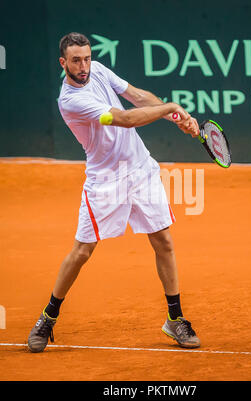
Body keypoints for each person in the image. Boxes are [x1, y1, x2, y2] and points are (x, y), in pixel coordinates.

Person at [28, 32, 201, 353]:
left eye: (87, 58)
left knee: (163, 240)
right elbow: (123, 119)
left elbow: (136, 96)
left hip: (140, 169)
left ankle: (174, 318)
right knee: (82, 252)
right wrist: (171, 108)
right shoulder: (70, 100)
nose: (84, 66)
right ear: (63, 63)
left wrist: (177, 116)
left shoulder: (100, 70)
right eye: (76, 60)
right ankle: (48, 316)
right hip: (105, 181)